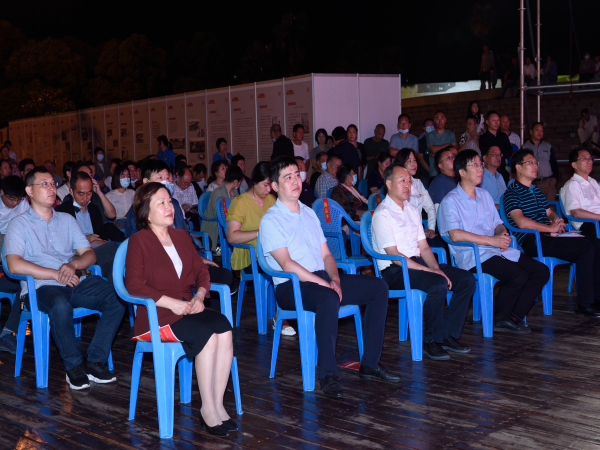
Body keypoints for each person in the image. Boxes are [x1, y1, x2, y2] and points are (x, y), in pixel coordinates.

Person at [260, 156, 400, 398]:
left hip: (320, 278)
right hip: (291, 286)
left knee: (379, 288)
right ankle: (327, 375)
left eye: (297, 175)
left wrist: (334, 278)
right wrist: (325, 284)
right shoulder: (270, 220)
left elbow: (326, 254)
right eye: (287, 177)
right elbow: (287, 264)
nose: (295, 181)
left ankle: (370, 363)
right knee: (328, 297)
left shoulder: (308, 212)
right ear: (274, 186)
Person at [125, 182, 237, 436]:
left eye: (170, 201)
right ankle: (207, 409)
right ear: (146, 212)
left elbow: (201, 270)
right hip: (157, 315)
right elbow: (133, 284)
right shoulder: (138, 241)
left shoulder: (181, 236)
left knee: (224, 328)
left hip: (188, 306)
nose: (169, 207)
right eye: (161, 203)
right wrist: (170, 302)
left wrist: (200, 295)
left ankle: (218, 404)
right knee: (206, 334)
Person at [5, 167, 124, 389]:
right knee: (60, 304)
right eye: (45, 184)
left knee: (117, 296)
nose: (52, 188)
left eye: (53, 183)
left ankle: (96, 361)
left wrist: (72, 265)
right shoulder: (18, 224)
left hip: (74, 281)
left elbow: (88, 253)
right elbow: (14, 264)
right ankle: (73, 366)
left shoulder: (66, 220)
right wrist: (56, 273)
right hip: (40, 288)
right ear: (29, 191)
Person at [439, 150, 549, 334]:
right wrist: (491, 240)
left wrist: (502, 234)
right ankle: (499, 317)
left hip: (495, 249)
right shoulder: (451, 200)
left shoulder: (484, 195)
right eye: (474, 165)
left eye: (480, 164)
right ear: (462, 172)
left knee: (540, 271)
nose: (480, 169)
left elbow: (498, 223)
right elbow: (455, 235)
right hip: (473, 255)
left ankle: (513, 316)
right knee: (518, 275)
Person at [372, 164, 475, 360]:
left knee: (466, 279)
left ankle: (448, 335)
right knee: (437, 282)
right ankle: (431, 341)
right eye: (402, 180)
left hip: (417, 264)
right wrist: (432, 273)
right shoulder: (382, 214)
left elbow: (424, 247)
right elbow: (395, 256)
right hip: (395, 271)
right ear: (389, 184)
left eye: (409, 181)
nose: (407, 185)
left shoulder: (412, 209)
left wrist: (436, 268)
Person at [502, 149, 600, 317]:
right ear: (518, 167)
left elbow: (549, 213)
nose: (535, 166)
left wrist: (556, 220)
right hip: (533, 240)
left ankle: (596, 299)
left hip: (549, 236)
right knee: (585, 247)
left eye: (536, 163)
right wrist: (550, 228)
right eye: (530, 163)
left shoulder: (536, 190)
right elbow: (521, 222)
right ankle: (585, 303)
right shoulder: (512, 192)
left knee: (595, 243)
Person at [225, 161, 293, 335]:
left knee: (297, 261)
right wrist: (259, 232)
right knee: (283, 266)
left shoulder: (271, 200)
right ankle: (282, 317)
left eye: (271, 185)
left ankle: (295, 311)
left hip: (270, 253)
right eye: (264, 185)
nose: (268, 190)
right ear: (254, 182)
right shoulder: (240, 202)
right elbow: (232, 236)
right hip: (250, 257)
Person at [56, 171, 122, 279]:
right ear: (71, 192)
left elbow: (103, 234)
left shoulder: (94, 209)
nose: (85, 198)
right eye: (80, 194)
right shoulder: (62, 210)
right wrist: (86, 238)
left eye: (89, 193)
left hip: (97, 252)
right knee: (113, 248)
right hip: (78, 254)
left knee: (113, 270)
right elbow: (61, 241)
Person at [0, 176, 28, 354]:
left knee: (27, 284)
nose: (16, 203)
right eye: (12, 198)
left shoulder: (22, 203)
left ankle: (7, 333)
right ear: (1, 192)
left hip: (13, 258)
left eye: (19, 199)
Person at [395, 149, 438, 241]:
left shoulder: (418, 183)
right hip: (403, 235)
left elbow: (430, 207)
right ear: (401, 164)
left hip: (418, 235)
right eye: (409, 161)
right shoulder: (397, 186)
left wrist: (431, 228)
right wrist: (419, 231)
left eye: (414, 160)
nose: (414, 164)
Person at [201, 166, 244, 251]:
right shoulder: (218, 192)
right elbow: (217, 214)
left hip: (229, 222)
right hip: (215, 225)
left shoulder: (234, 191)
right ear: (235, 182)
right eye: (239, 182)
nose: (239, 184)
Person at [561, 148, 600, 237]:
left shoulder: (593, 182)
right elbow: (576, 213)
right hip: (588, 224)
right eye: (584, 158)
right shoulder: (572, 185)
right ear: (574, 165)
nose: (589, 162)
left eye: (590, 158)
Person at [522, 122, 559, 201]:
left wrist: (555, 179)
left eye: (541, 131)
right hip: (533, 183)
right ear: (531, 132)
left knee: (550, 206)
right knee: (535, 206)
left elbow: (554, 164)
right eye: (537, 130)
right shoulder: (525, 147)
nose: (540, 133)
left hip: (549, 182)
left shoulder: (548, 146)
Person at [479, 111, 512, 183]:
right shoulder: (483, 138)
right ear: (487, 122)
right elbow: (485, 153)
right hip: (489, 172)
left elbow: (509, 150)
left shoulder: (503, 136)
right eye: (493, 120)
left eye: (498, 120)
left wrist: (500, 155)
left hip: (502, 170)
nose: (496, 123)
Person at [426, 111, 457, 179]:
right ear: (434, 120)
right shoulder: (430, 135)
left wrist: (437, 154)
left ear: (445, 120)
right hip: (434, 172)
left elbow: (454, 150)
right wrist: (447, 145)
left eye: (442, 118)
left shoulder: (450, 134)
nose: (440, 121)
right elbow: (433, 149)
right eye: (437, 119)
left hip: (450, 171)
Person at [173, 166, 200, 231]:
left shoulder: (191, 186)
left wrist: (194, 208)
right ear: (178, 177)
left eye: (189, 183)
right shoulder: (172, 189)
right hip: (179, 217)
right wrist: (181, 208)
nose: (187, 186)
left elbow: (195, 202)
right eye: (185, 182)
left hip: (191, 215)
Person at [417, 118, 434, 186]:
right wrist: (430, 171)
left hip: (436, 174)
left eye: (432, 125)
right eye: (428, 125)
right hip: (425, 175)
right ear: (424, 128)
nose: (430, 127)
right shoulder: (421, 141)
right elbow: (421, 159)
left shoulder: (436, 141)